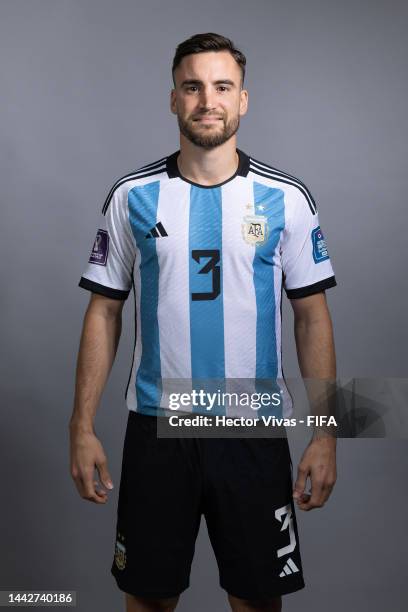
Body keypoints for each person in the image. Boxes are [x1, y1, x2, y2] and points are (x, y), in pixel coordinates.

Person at [69, 32, 337, 612]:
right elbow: (104, 310)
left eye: (222, 87)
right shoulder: (132, 196)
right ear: (173, 99)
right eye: (192, 87)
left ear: (243, 100)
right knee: (147, 598)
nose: (207, 100)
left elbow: (312, 319)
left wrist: (325, 431)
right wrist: (82, 425)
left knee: (257, 600)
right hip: (158, 431)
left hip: (253, 431)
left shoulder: (286, 198)